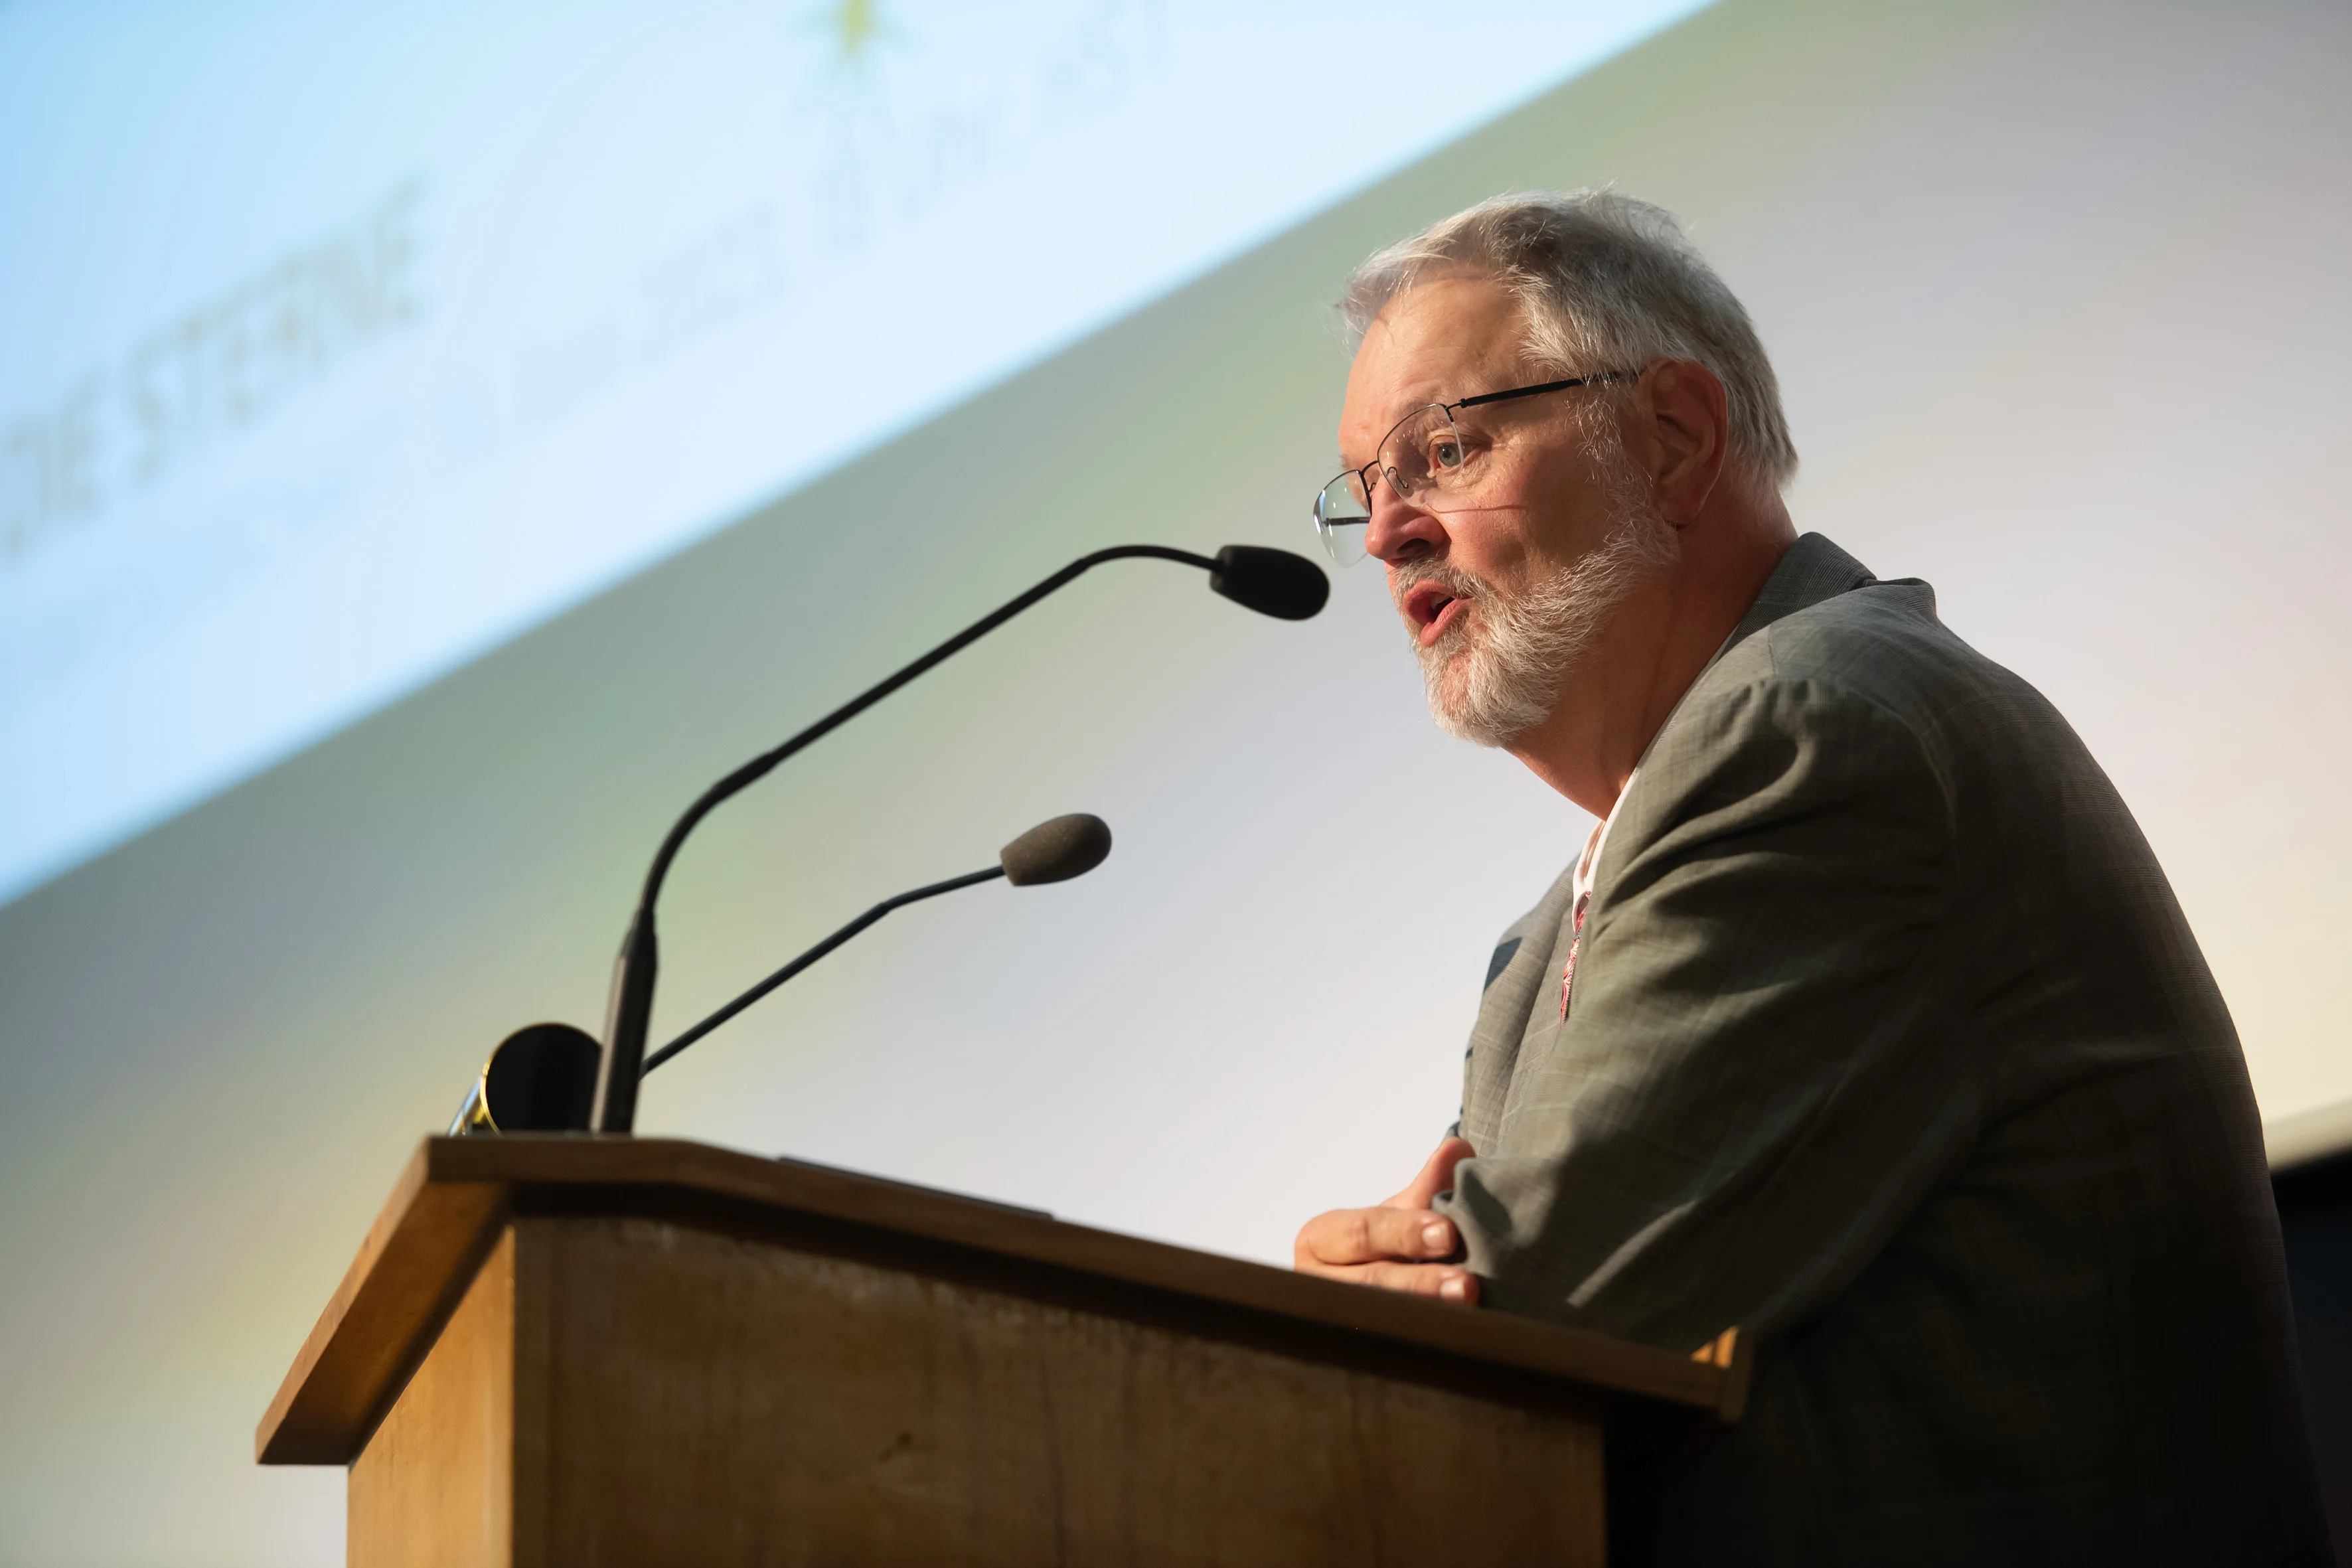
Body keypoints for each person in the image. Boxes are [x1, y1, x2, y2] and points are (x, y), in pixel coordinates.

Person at [1291, 191, 2327, 1565]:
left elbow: (1521, 1321)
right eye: (1365, 489)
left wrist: (1349, 1310)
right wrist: (1377, 1283)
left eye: (1443, 450)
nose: (1386, 535)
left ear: (1672, 436)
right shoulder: (1548, 931)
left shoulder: (1814, 730)